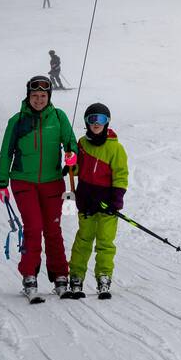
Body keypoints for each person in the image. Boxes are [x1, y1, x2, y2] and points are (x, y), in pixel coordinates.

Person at [0, 76, 76, 298]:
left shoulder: (59, 117)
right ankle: (29, 275)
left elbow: (70, 142)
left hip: (52, 182)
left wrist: (72, 155)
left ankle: (61, 275)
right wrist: (3, 183)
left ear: (48, 97)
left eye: (43, 96)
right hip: (23, 181)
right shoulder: (17, 121)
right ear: (28, 96)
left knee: (53, 230)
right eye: (35, 96)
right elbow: (6, 153)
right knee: (34, 227)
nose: (39, 100)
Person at [65, 102, 128, 300]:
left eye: (101, 119)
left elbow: (121, 175)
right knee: (83, 240)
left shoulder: (115, 148)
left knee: (105, 242)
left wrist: (116, 200)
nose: (96, 123)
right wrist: (69, 165)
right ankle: (76, 277)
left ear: (107, 122)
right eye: (92, 119)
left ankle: (104, 277)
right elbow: (76, 170)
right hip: (86, 200)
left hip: (107, 203)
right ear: (86, 122)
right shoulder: (82, 145)